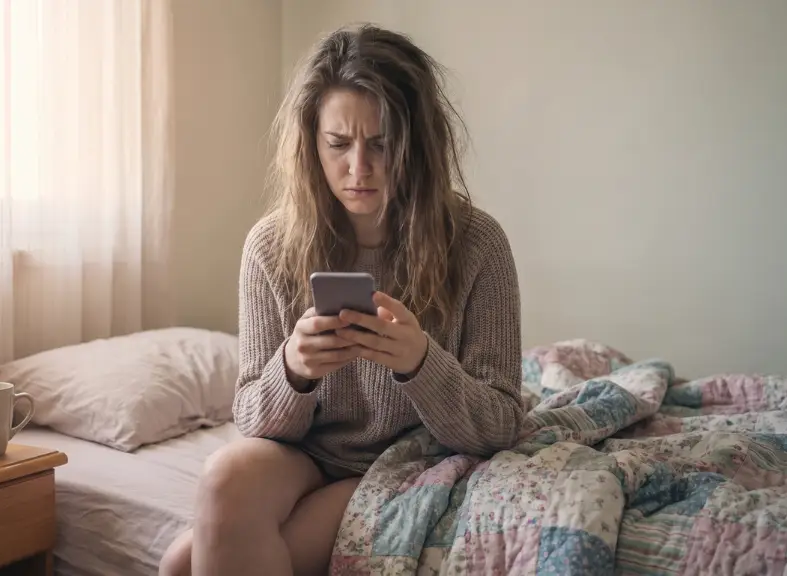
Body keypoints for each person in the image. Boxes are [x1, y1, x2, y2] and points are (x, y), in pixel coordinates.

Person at [159, 23, 523, 576]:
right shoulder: (271, 247)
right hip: (304, 454)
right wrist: (294, 370)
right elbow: (252, 419)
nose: (359, 168)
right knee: (222, 479)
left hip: (402, 459)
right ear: (311, 142)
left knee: (182, 566)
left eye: (381, 145)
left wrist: (420, 363)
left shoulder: (477, 243)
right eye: (338, 144)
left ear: (417, 145)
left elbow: (500, 425)